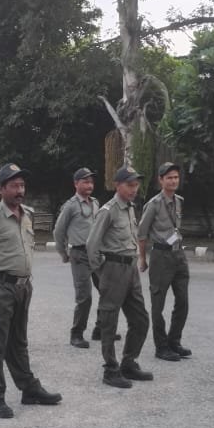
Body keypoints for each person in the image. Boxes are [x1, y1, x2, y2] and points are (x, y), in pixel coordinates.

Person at [0, 163, 62, 418]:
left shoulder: (27, 214)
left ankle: (28, 388)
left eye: (22, 185)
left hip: (23, 287)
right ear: (1, 190)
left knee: (18, 341)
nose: (20, 190)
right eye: (14, 186)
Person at [86, 166, 152, 389]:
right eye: (130, 185)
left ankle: (129, 362)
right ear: (117, 185)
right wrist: (102, 271)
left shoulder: (130, 208)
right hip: (113, 268)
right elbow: (92, 245)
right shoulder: (108, 210)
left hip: (130, 268)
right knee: (109, 321)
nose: (134, 189)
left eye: (136, 185)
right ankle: (110, 369)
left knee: (140, 319)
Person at [138, 161, 192, 362]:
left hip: (179, 255)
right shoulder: (153, 204)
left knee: (183, 301)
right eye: (169, 178)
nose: (173, 181)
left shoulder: (179, 201)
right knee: (158, 304)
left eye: (176, 177)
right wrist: (142, 258)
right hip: (161, 256)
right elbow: (141, 234)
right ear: (161, 180)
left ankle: (174, 341)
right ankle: (161, 347)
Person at [53, 167, 102, 348]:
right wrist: (63, 253)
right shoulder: (71, 206)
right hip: (79, 254)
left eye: (91, 182)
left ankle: (100, 329)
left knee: (107, 291)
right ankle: (77, 334)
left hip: (97, 254)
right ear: (76, 184)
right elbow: (58, 231)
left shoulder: (95, 203)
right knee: (84, 296)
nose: (90, 185)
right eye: (85, 182)